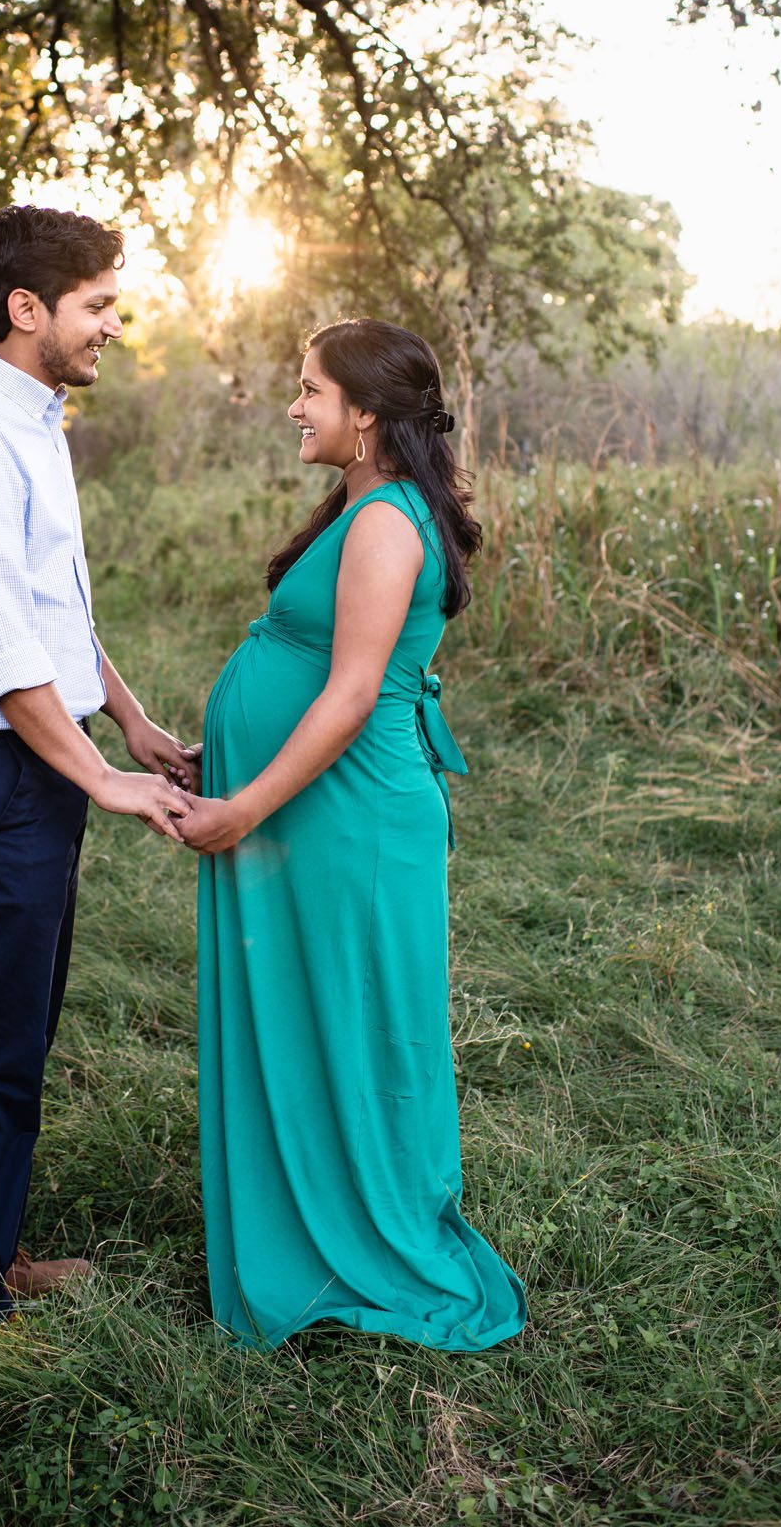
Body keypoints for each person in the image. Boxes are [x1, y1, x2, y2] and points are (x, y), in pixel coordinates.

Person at [180, 318, 527, 1352]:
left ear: (366, 414)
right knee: (312, 1008)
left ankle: (364, 1239)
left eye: (311, 390)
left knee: (354, 1016)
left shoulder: (384, 523)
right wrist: (224, 759)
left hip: (349, 816)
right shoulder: (365, 504)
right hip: (320, 808)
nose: (294, 406)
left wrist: (245, 803)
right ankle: (308, 1214)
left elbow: (349, 695)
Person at [0, 204, 196, 1323]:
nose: (117, 322)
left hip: (30, 759)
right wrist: (101, 779)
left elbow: (52, 603)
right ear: (28, 309)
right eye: (99, 304)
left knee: (23, 1023)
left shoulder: (30, 418)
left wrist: (129, 720)